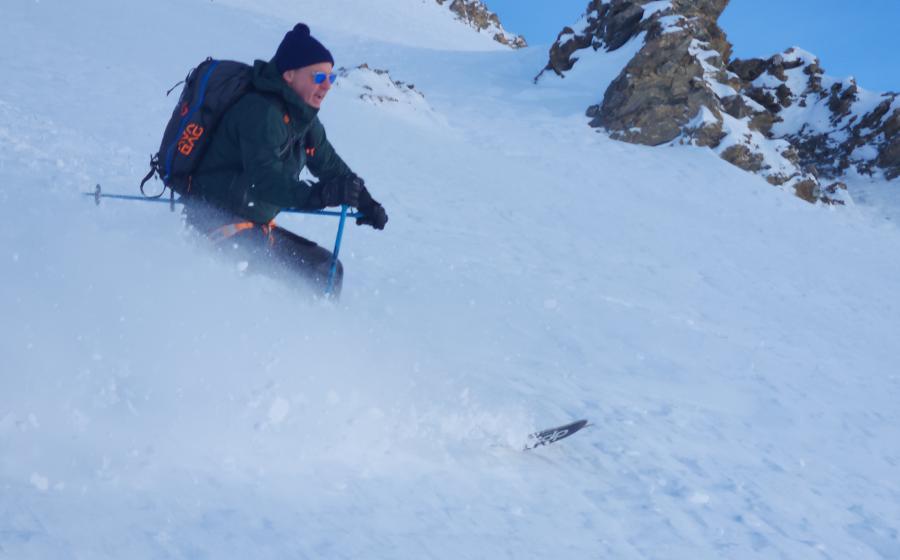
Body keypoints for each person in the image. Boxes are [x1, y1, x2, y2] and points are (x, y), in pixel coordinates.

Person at [185, 23, 388, 296]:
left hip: (253, 227)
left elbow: (330, 165)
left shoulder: (303, 119)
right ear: (289, 75)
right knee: (256, 273)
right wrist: (320, 195)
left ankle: (319, 324)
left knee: (326, 271)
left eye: (331, 78)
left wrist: (364, 200)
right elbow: (264, 182)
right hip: (213, 224)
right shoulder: (261, 113)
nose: (327, 86)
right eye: (318, 77)